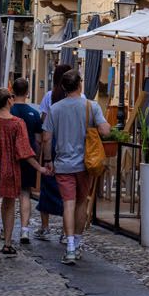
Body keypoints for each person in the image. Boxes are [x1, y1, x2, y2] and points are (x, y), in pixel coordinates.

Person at [40, 68, 108, 265]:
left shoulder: (56, 108)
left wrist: (48, 161)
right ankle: (77, 242)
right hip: (85, 164)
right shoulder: (91, 106)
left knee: (68, 204)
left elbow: (46, 138)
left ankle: (69, 246)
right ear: (80, 84)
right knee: (81, 203)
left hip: (62, 164)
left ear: (63, 87)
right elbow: (104, 130)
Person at [0, 86, 49, 262]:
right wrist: (39, 167)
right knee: (9, 206)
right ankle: (7, 244)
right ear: (8, 101)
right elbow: (24, 151)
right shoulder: (17, 123)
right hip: (11, 170)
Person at [9, 77, 47, 245]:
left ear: (12, 91)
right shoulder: (34, 113)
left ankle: (6, 228)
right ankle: (24, 230)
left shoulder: (8, 111)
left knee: (8, 195)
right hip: (28, 156)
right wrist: (37, 158)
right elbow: (39, 139)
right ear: (27, 92)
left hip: (10, 156)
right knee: (25, 193)